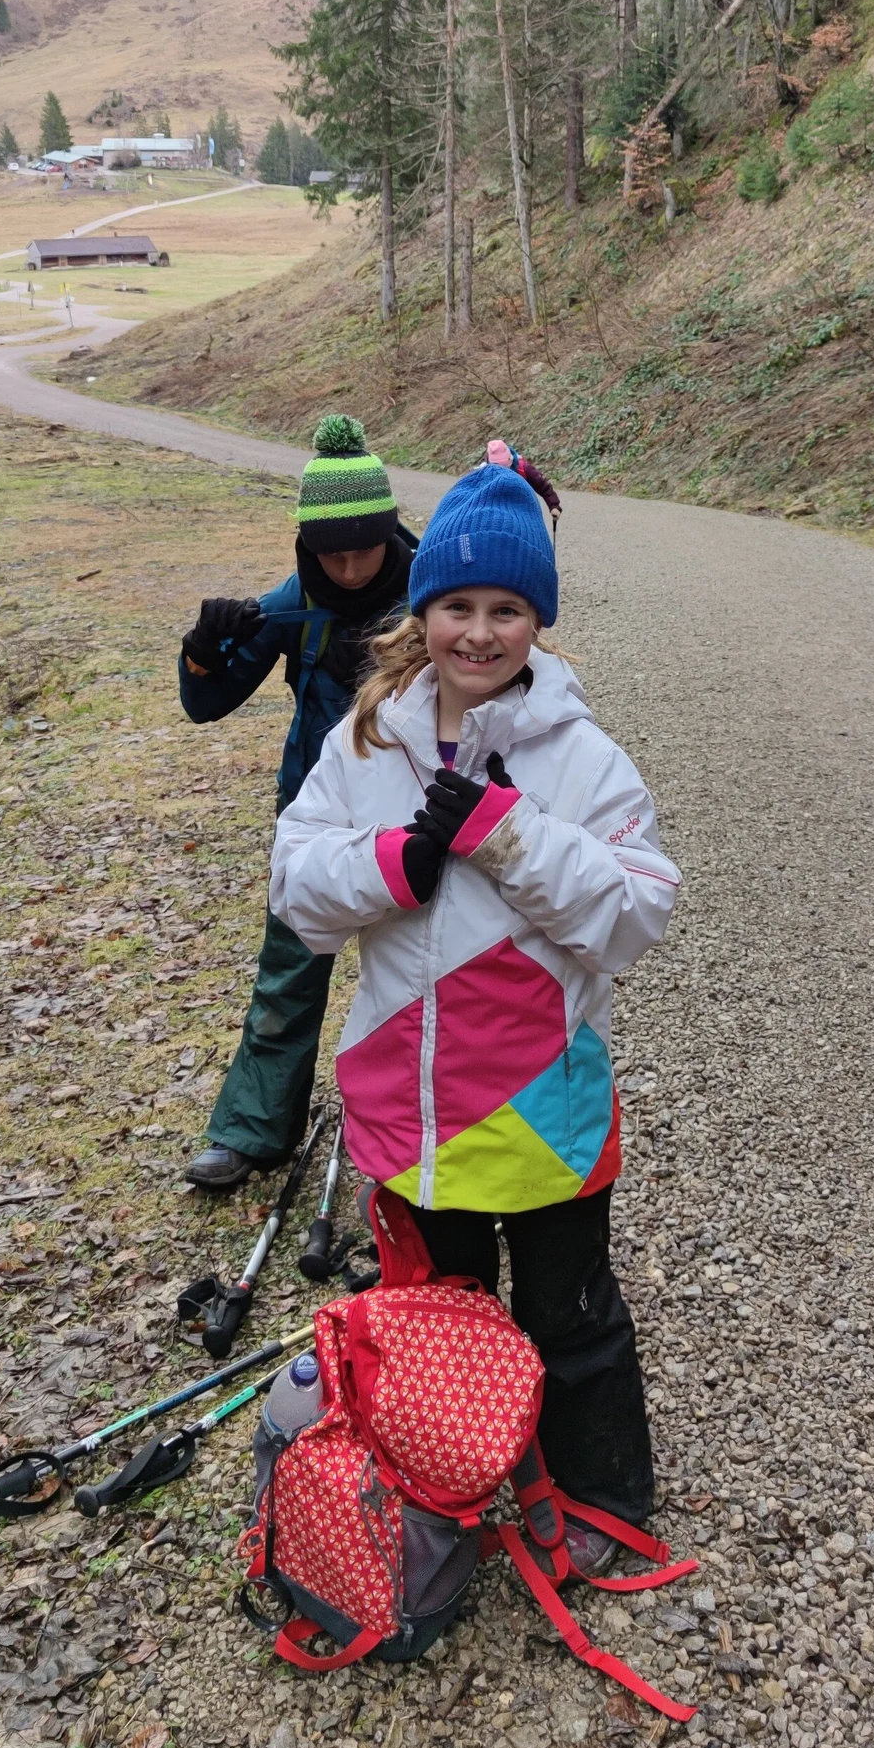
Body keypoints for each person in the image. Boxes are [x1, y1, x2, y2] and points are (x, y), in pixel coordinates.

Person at [270, 445, 679, 1568]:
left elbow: (638, 916)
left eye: (509, 608)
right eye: (457, 605)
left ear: (538, 621)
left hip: (543, 1107)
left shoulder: (584, 761)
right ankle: (442, 1496)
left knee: (572, 1319)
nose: (481, 632)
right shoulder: (368, 740)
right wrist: (398, 860)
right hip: (409, 1109)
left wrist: (510, 836)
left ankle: (601, 1497)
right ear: (423, 608)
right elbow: (295, 885)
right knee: (432, 1322)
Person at [178, 414, 416, 1189]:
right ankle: (252, 1128)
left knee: (428, 969)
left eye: (363, 549)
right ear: (307, 547)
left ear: (390, 533)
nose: (348, 569)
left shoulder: (436, 590)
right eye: (329, 553)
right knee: (289, 969)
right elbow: (205, 703)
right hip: (314, 815)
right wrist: (202, 648)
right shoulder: (290, 600)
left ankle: (432, 1131)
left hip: (420, 813)